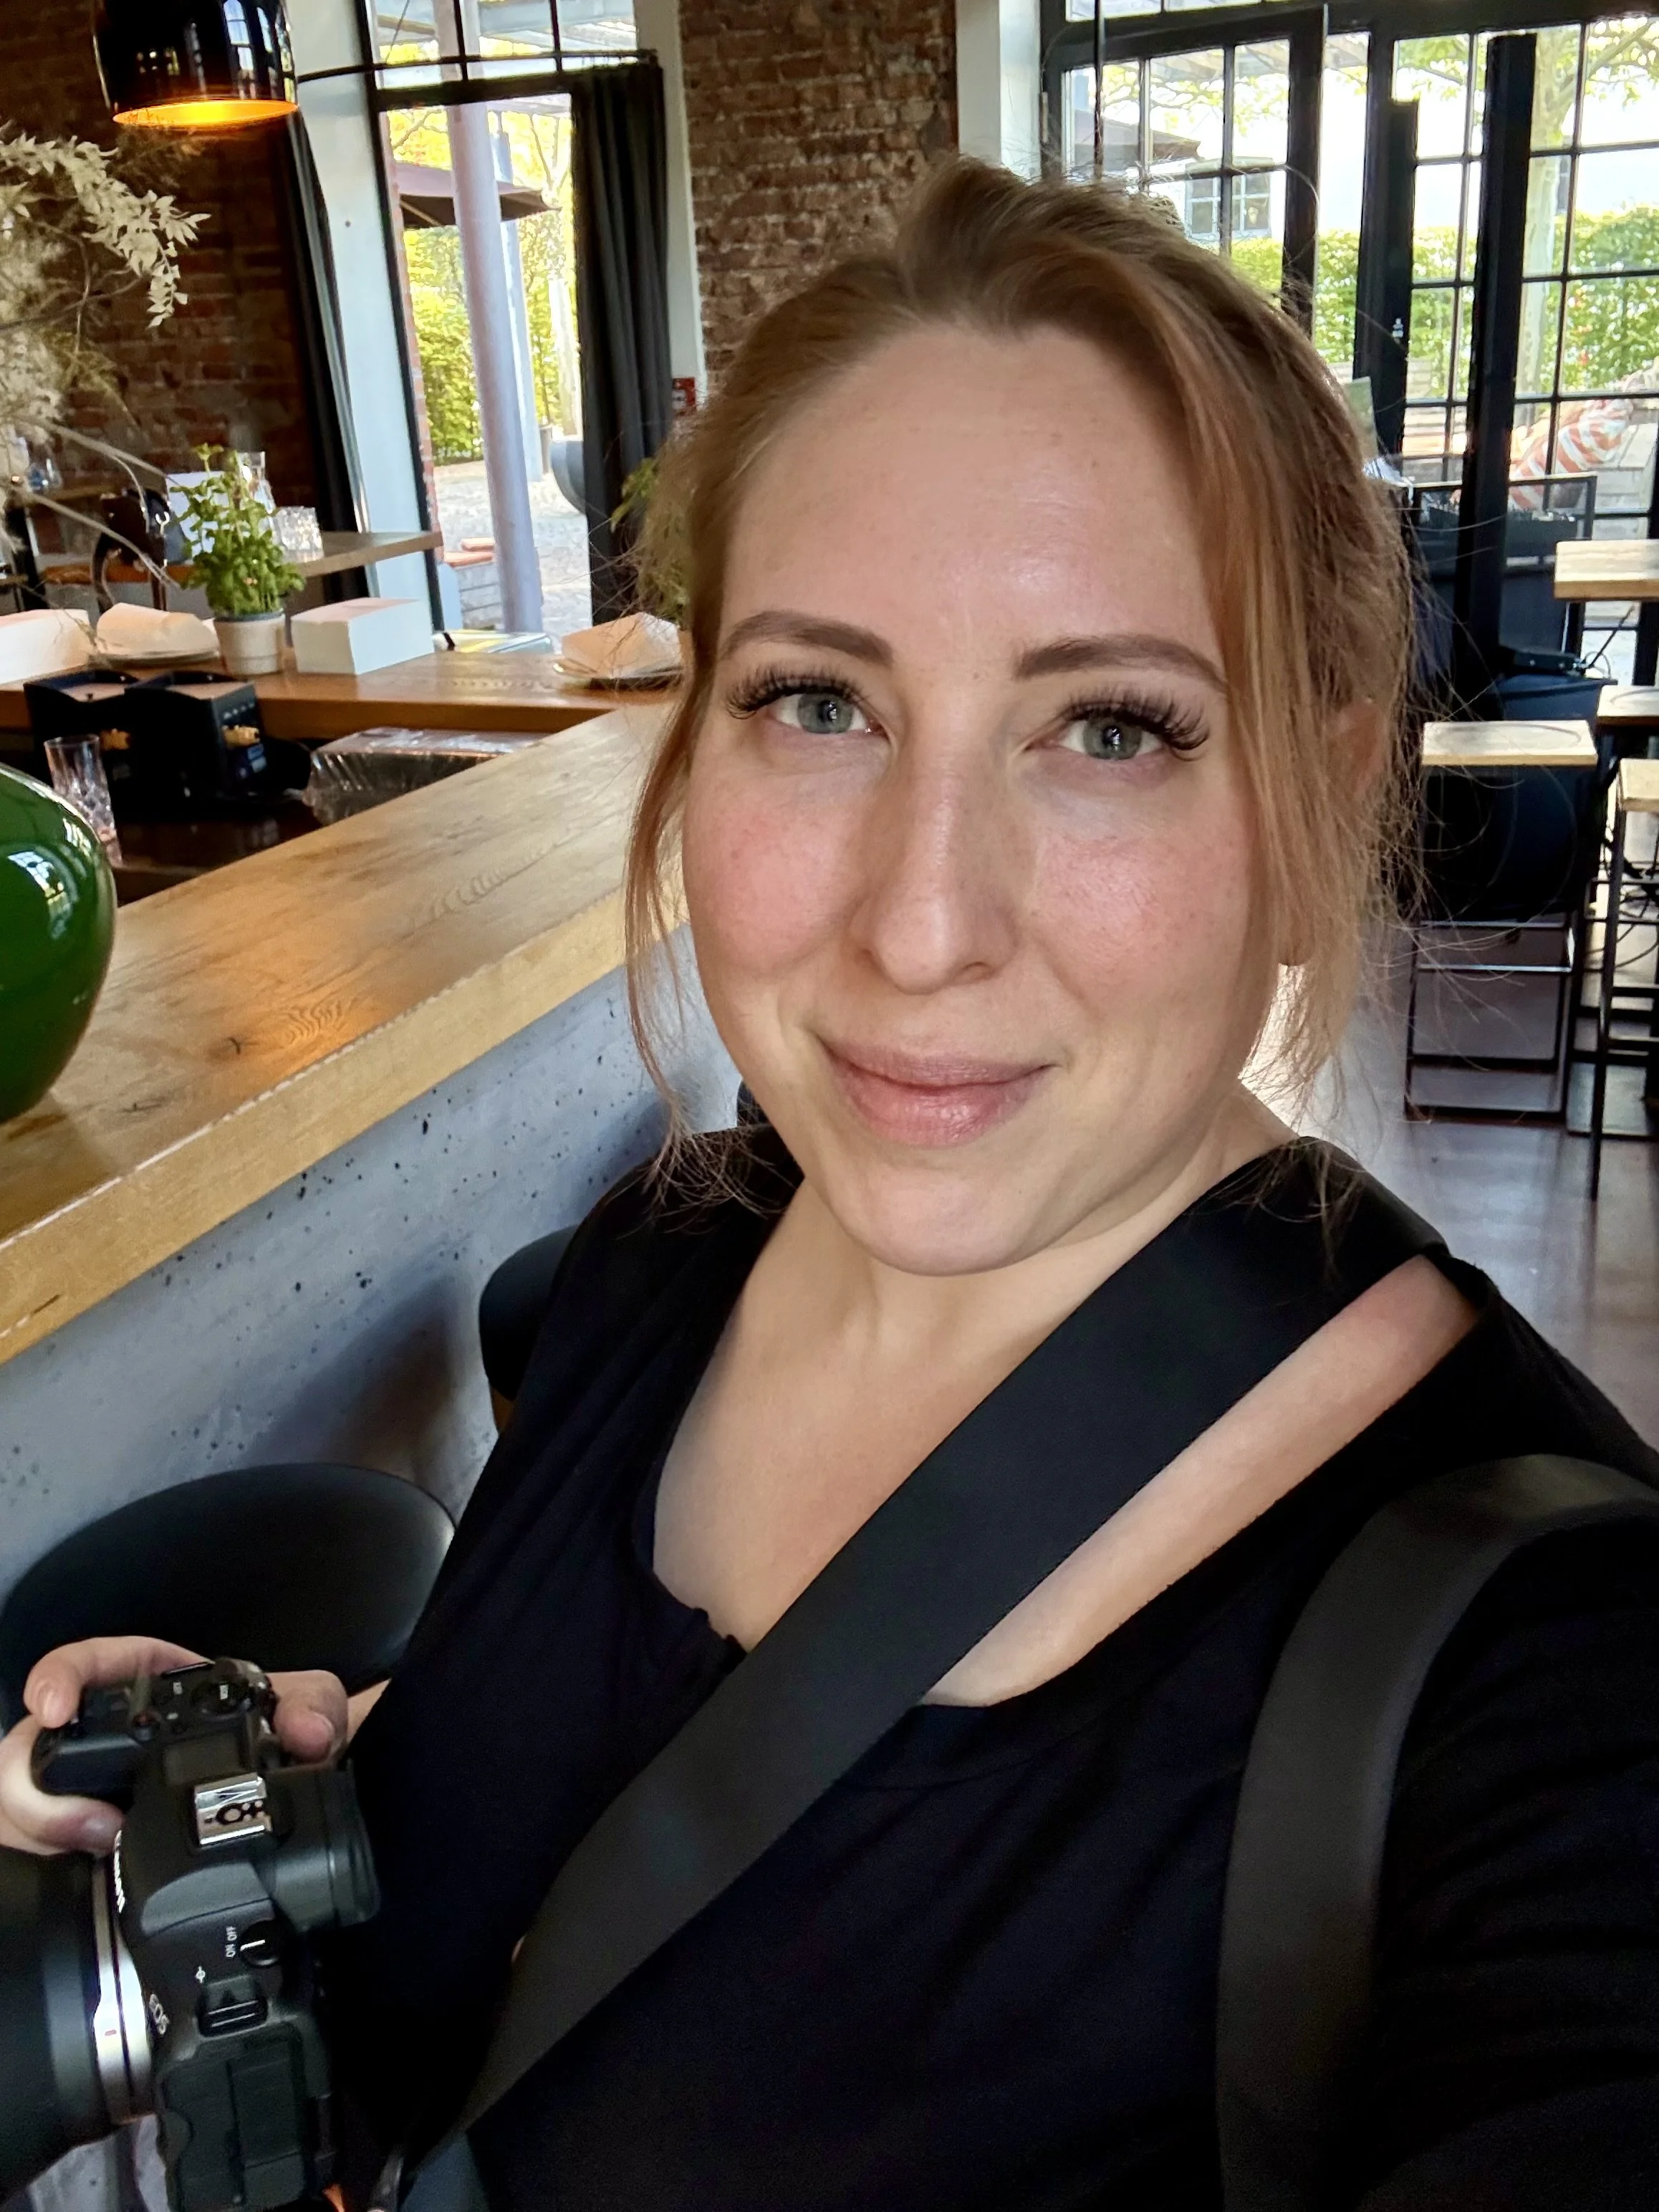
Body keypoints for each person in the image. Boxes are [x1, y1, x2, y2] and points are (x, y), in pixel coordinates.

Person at [4, 160, 1658, 2210]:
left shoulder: (1556, 1678)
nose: (920, 920)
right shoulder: (669, 1252)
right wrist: (300, 1784)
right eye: (817, 702)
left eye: (1112, 728)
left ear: (1320, 784)